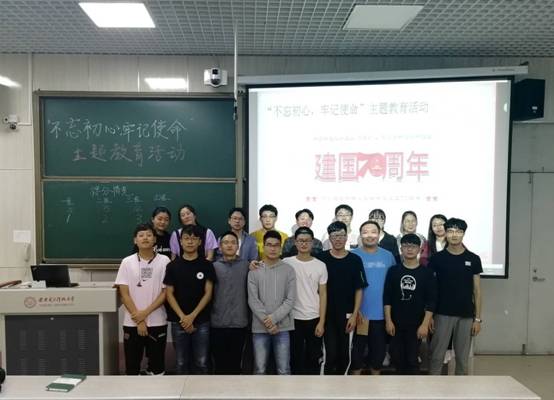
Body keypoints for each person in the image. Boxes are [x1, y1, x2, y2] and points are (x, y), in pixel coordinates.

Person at [429, 218, 483, 375]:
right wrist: (429, 315)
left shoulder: (473, 259)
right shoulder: (437, 259)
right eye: (451, 231)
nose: (454, 235)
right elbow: (431, 289)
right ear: (445, 233)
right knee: (436, 357)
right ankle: (431, 387)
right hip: (442, 314)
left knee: (462, 360)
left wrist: (478, 319)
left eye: (458, 231)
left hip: (466, 315)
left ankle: (461, 388)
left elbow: (477, 291)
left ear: (463, 234)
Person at [115, 223, 170, 375]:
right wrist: (139, 320)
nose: (145, 238)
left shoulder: (164, 261)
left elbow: (165, 292)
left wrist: (144, 314)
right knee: (132, 368)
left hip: (157, 321)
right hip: (132, 322)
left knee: (157, 368)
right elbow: (124, 293)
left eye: (149, 235)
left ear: (155, 239)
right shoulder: (127, 262)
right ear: (135, 240)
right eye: (141, 235)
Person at [164, 224, 216, 374]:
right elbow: (169, 293)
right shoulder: (172, 266)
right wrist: (183, 317)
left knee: (202, 362)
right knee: (181, 362)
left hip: (201, 320)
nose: (190, 241)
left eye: (194, 238)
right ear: (180, 242)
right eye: (186, 238)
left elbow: (208, 293)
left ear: (200, 242)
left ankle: (202, 389)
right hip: (178, 321)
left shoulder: (207, 265)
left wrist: (192, 316)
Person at [384, 233, 437, 375]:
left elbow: (431, 301)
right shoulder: (393, 271)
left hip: (416, 324)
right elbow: (387, 298)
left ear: (420, 249)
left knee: (412, 360)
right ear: (401, 249)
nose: (409, 249)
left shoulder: (427, 273)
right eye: (406, 246)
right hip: (395, 323)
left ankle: (413, 388)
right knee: (397, 358)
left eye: (413, 246)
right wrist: (388, 321)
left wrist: (425, 324)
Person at [319, 221, 367, 375]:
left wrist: (354, 314)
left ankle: (343, 386)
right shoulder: (321, 258)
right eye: (334, 236)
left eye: (341, 235)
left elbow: (359, 289)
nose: (338, 239)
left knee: (345, 355)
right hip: (326, 316)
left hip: (347, 316)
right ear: (329, 239)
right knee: (329, 354)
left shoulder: (355, 260)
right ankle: (324, 386)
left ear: (346, 237)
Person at [247, 230, 296, 375]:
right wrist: (267, 322)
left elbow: (290, 299)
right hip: (259, 328)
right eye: (269, 245)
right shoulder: (254, 270)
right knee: (259, 369)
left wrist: (273, 319)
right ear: (263, 247)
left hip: (282, 328)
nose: (273, 248)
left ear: (280, 247)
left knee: (284, 369)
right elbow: (253, 300)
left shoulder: (288, 270)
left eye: (276, 245)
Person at [350, 221, 396, 375]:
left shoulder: (388, 256)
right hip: (359, 316)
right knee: (356, 359)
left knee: (377, 360)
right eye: (365, 232)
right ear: (360, 235)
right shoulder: (353, 255)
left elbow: (393, 285)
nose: (369, 235)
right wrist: (354, 311)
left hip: (381, 316)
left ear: (379, 234)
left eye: (373, 232)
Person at [284, 227, 327, 375]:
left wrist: (321, 322)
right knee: (295, 357)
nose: (303, 244)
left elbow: (323, 294)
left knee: (313, 357)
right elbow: (269, 266)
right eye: (300, 241)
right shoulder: (286, 263)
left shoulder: (320, 265)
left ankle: (312, 387)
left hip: (313, 317)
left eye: (307, 241)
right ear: (295, 242)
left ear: (312, 243)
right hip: (292, 317)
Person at [211, 231, 250, 374]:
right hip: (218, 323)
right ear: (220, 247)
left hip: (240, 323)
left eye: (233, 243)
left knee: (235, 363)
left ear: (238, 246)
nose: (229, 245)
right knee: (219, 365)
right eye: (226, 242)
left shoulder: (246, 266)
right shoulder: (213, 267)